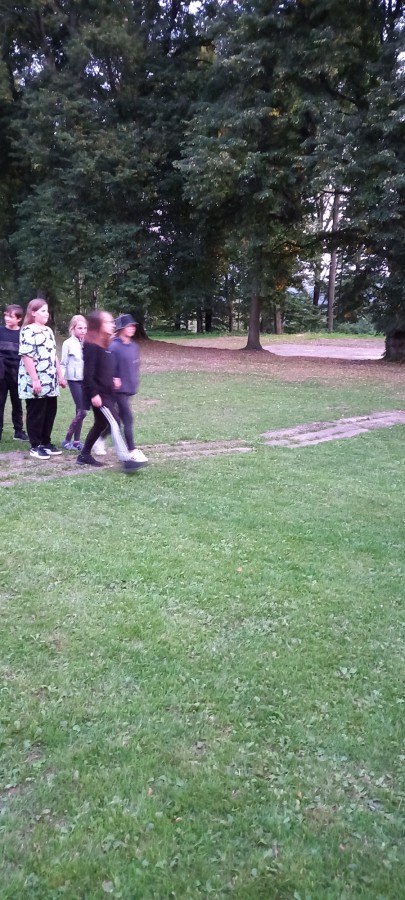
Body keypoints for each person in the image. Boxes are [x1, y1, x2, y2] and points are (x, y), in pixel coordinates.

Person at [77, 309, 145, 473]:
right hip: (100, 395)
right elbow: (88, 374)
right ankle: (126, 460)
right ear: (98, 325)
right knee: (115, 422)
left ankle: (84, 455)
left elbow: (104, 369)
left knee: (101, 423)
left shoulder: (105, 344)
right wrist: (94, 394)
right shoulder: (92, 346)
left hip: (107, 392)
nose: (112, 325)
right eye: (107, 322)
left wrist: (112, 379)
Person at [18, 299, 66, 459]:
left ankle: (46, 442)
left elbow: (53, 355)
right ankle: (35, 445)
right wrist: (35, 379)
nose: (47, 314)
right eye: (43, 311)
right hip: (35, 379)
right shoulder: (28, 330)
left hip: (50, 380)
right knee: (36, 412)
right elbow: (26, 356)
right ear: (33, 313)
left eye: (47, 311)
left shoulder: (48, 330)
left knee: (50, 412)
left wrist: (60, 375)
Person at [110, 314, 148, 463]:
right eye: (129, 326)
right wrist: (114, 377)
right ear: (121, 328)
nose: (132, 328)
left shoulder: (133, 346)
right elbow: (109, 367)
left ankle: (99, 438)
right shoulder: (114, 346)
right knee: (128, 418)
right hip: (118, 390)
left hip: (129, 387)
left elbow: (134, 366)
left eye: (133, 326)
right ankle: (132, 450)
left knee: (116, 419)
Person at [0, 304, 29, 442]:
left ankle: (18, 431)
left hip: (17, 374)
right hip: (1, 374)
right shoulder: (0, 331)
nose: (7, 318)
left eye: (11, 316)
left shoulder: (23, 334)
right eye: (6, 315)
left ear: (19, 319)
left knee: (17, 403)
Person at [60, 315, 88, 450]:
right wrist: (61, 378)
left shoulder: (87, 343)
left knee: (79, 411)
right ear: (73, 328)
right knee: (83, 411)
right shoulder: (67, 343)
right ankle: (66, 440)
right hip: (73, 380)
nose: (83, 331)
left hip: (85, 381)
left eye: (85, 328)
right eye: (80, 328)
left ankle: (76, 442)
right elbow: (63, 363)